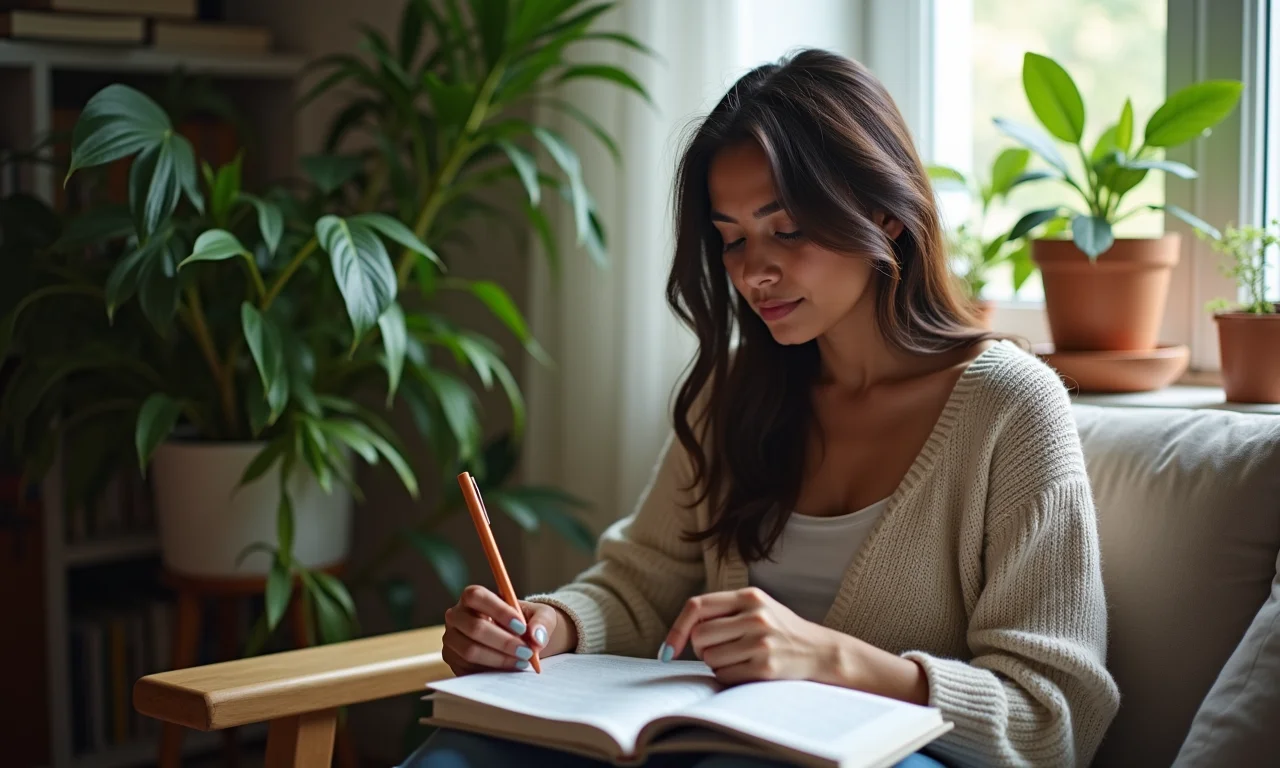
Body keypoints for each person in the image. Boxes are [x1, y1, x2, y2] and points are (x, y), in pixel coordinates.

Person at [402, 48, 1120, 768]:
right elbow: (639, 587)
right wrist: (546, 626)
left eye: (787, 230)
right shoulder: (738, 390)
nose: (753, 271)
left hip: (892, 758)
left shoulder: (1009, 408)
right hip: (716, 745)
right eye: (732, 239)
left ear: (885, 213)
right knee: (459, 752)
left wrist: (830, 658)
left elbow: (1051, 719)